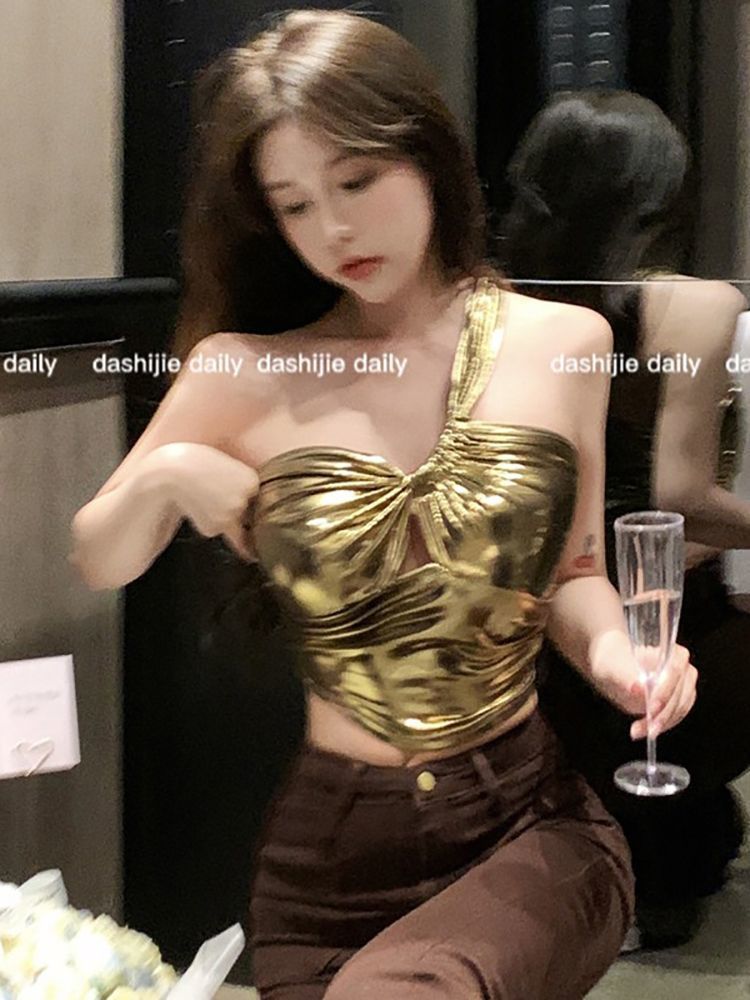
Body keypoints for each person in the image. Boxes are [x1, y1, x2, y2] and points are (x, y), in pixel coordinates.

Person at [70, 15, 697, 998]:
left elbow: (574, 569)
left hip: (526, 827)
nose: (335, 230)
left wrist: (618, 654)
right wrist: (166, 474)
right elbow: (99, 555)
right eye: (295, 205)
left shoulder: (562, 342)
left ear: (426, 151)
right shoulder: (244, 371)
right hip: (327, 865)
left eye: (357, 181)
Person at [502, 88, 750, 949]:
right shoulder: (698, 305)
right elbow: (680, 493)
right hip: (652, 587)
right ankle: (669, 856)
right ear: (659, 195)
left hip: (532, 591)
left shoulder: (504, 302)